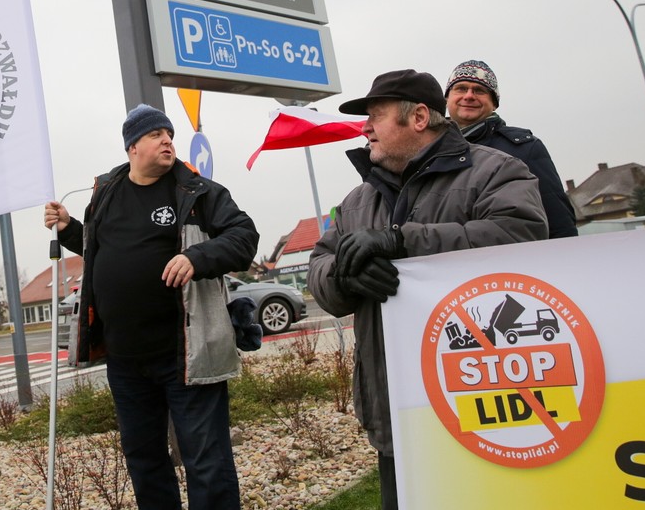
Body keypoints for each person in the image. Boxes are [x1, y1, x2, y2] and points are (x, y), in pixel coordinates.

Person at [308, 70, 548, 510]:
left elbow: (522, 236)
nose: (364, 128)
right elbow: (320, 266)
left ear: (419, 117)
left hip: (483, 404)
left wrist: (404, 241)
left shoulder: (497, 171)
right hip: (394, 412)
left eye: (375, 117)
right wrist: (344, 277)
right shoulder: (357, 201)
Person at [44, 103, 258, 510]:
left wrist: (199, 258)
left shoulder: (197, 192)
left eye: (170, 135)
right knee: (144, 461)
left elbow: (244, 236)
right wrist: (70, 227)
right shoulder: (106, 192)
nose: (167, 141)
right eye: (157, 134)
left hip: (185, 355)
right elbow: (97, 249)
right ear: (133, 147)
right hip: (125, 361)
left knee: (206, 461)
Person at [444, 59, 578, 238]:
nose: (469, 96)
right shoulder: (427, 151)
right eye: (460, 88)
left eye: (479, 90)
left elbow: (558, 219)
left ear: (494, 103)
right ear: (447, 98)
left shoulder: (524, 148)